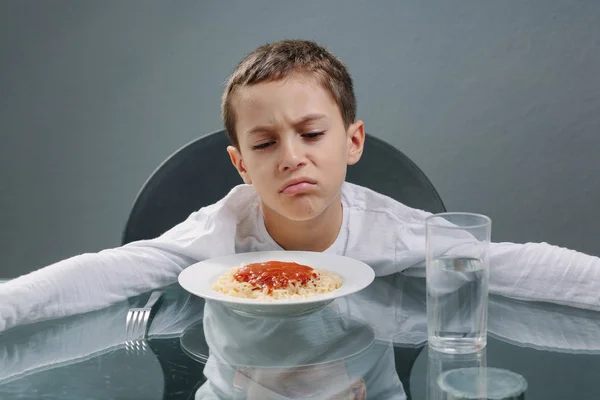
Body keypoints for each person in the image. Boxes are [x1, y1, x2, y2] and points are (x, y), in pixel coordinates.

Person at [1, 39, 599, 334]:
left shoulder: (389, 230)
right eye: (264, 144)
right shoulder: (219, 230)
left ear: (353, 142)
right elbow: (108, 270)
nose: (292, 159)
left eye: (312, 133)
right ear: (240, 164)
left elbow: (515, 265)